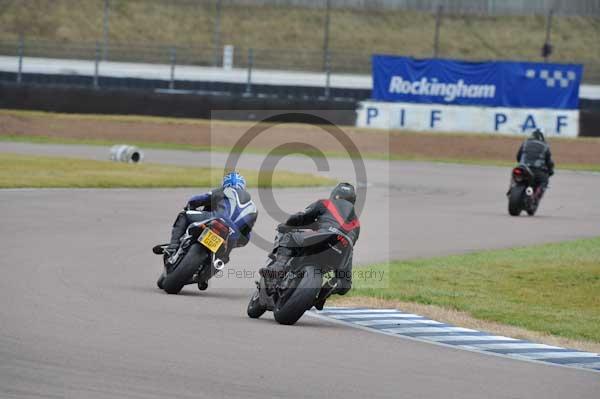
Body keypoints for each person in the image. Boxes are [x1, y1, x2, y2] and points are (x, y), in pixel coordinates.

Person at [261, 182, 360, 309]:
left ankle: (278, 267)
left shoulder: (325, 203)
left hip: (323, 237)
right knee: (344, 283)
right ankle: (327, 289)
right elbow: (350, 249)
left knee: (290, 236)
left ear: (334, 195)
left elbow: (302, 217)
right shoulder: (356, 223)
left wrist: (289, 223)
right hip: (343, 249)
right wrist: (344, 279)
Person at [153, 171, 258, 264]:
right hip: (233, 235)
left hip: (216, 220)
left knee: (184, 215)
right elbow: (246, 234)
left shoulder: (224, 190)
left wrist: (189, 207)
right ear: (243, 185)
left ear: (225, 183)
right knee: (224, 257)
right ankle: (215, 262)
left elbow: (195, 200)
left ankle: (173, 247)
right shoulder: (253, 207)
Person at [516, 129, 555, 197]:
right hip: (537, 170)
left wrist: (521, 164)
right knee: (544, 181)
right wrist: (550, 171)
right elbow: (549, 162)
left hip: (523, 167)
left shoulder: (525, 143)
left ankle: (512, 188)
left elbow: (518, 156)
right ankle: (535, 197)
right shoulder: (545, 146)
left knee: (516, 174)